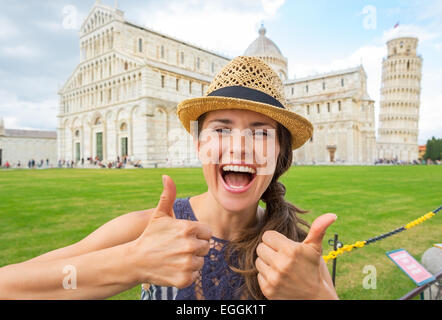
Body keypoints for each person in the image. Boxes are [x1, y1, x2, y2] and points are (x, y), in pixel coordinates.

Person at [0, 56, 338, 300]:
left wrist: (316, 297)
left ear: (280, 152)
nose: (240, 147)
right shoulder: (144, 229)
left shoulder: (295, 253)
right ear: (199, 144)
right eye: (221, 129)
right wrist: (133, 262)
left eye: (261, 133)